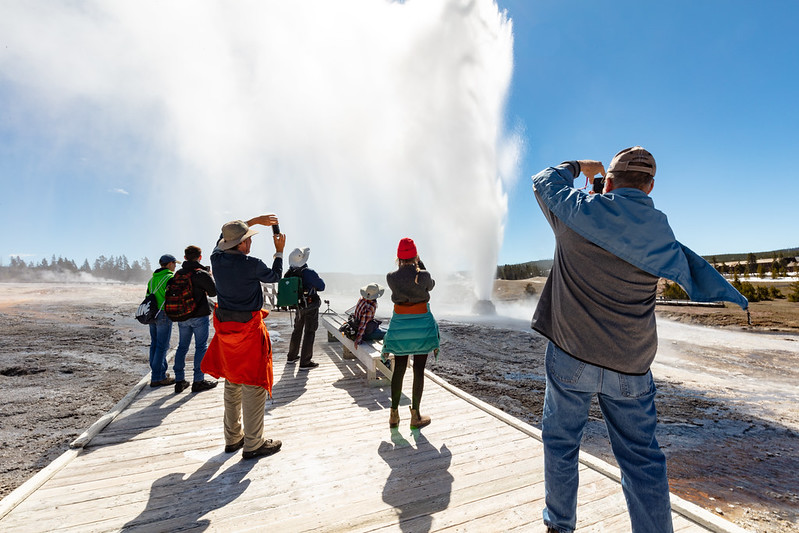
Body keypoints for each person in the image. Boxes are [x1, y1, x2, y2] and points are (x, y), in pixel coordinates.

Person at [531, 147, 748, 533]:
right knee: (641, 460)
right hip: (630, 365)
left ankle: (559, 526)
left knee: (561, 443)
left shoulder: (578, 212)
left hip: (571, 354)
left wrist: (581, 167)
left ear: (608, 181)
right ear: (650, 187)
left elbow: (543, 180)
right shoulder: (659, 231)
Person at [200, 216, 285, 460]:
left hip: (226, 330)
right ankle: (253, 443)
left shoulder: (217, 259)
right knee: (254, 383)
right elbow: (275, 276)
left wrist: (253, 221)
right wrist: (279, 252)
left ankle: (233, 438)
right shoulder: (252, 264)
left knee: (233, 379)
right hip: (248, 330)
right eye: (247, 239)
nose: (250, 243)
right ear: (241, 245)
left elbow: (221, 237)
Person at [382, 238, 440, 430]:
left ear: (398, 257)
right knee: (418, 370)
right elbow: (430, 285)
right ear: (415, 255)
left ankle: (393, 414)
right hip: (421, 326)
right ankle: (415, 415)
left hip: (400, 326)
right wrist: (420, 265)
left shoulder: (391, 277)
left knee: (399, 368)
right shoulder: (423, 275)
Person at [172, 245, 218, 394]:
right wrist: (209, 275)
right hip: (199, 315)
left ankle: (179, 381)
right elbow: (212, 292)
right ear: (200, 257)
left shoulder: (178, 274)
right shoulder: (201, 273)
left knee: (182, 347)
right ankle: (198, 380)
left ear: (185, 258)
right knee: (200, 347)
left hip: (182, 316)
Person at [284, 247, 326, 369]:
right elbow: (322, 286)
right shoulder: (308, 272)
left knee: (297, 330)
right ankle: (305, 362)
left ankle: (291, 357)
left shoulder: (289, 273)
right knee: (309, 331)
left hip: (297, 306)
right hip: (310, 305)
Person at [146, 254, 178, 387]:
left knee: (155, 344)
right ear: (169, 264)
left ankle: (159, 372)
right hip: (163, 314)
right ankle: (158, 377)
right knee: (162, 346)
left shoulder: (152, 279)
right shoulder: (170, 277)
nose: (176, 266)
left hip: (152, 314)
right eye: (175, 263)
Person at [353, 282, 386, 347]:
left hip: (355, 326)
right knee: (389, 333)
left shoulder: (362, 298)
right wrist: (358, 340)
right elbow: (363, 325)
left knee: (386, 330)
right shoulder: (370, 307)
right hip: (365, 333)